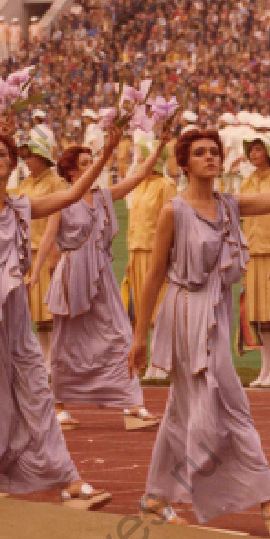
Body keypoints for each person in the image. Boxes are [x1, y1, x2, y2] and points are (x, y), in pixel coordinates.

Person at [130, 111, 270, 535]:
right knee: (231, 404)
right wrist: (139, 335)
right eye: (199, 153)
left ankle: (154, 497)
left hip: (217, 311)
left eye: (214, 152)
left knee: (183, 410)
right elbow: (153, 277)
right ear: (184, 163)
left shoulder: (230, 205)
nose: (209, 158)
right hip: (185, 314)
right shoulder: (174, 212)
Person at [0, 124, 119, 508]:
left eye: (3, 154)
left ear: (12, 163)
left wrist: (104, 155)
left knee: (37, 395)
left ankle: (68, 480)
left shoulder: (21, 207)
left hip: (16, 317)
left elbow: (72, 194)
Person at [37, 132, 168, 431]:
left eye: (91, 162)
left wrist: (159, 146)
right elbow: (48, 238)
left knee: (121, 335)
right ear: (71, 171)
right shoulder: (62, 200)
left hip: (102, 274)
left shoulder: (104, 197)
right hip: (73, 275)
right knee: (67, 342)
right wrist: (36, 270)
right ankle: (58, 404)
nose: (91, 168)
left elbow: (138, 176)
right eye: (84, 164)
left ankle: (132, 405)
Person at [121, 131, 179, 377]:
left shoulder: (166, 185)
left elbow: (175, 223)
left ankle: (162, 362)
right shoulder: (138, 185)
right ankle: (149, 360)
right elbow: (134, 222)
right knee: (143, 310)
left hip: (157, 254)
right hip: (138, 251)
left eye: (140, 154)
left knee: (160, 309)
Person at [240, 135, 270, 388]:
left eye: (258, 149)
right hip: (253, 252)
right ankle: (266, 367)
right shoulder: (247, 182)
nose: (253, 154)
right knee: (260, 313)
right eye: (251, 150)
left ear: (268, 151)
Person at [17, 123, 65, 362]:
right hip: (28, 250)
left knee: (48, 309)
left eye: (31, 156)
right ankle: (43, 355)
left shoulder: (55, 182)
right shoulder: (26, 183)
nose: (26, 161)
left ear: (42, 157)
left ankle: (52, 357)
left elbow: (55, 220)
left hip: (47, 250)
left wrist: (54, 253)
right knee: (35, 309)